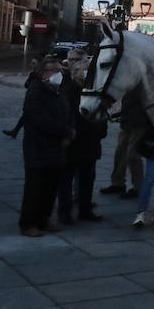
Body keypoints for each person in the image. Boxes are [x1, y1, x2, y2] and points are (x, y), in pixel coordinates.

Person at [17, 56, 71, 237]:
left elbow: (65, 113)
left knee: (50, 187)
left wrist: (67, 130)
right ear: (44, 73)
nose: (59, 74)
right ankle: (28, 223)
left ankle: (44, 219)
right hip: (38, 147)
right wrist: (64, 131)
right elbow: (38, 119)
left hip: (56, 147)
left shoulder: (57, 90)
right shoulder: (36, 90)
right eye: (55, 71)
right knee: (35, 188)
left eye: (60, 71)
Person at [57, 51, 105, 224]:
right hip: (72, 141)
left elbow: (101, 112)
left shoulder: (93, 90)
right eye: (82, 72)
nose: (84, 75)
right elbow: (64, 114)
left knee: (87, 178)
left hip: (90, 141)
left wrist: (101, 130)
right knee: (66, 179)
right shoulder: (67, 89)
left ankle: (85, 209)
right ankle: (65, 212)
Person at [102, 87, 146, 199]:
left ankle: (138, 187)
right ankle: (118, 183)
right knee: (119, 153)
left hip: (139, 124)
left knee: (132, 155)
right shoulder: (128, 82)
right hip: (126, 122)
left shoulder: (142, 82)